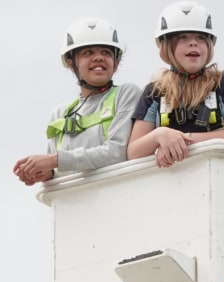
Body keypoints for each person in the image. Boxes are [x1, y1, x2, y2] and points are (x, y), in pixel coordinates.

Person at [13, 17, 141, 185]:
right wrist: (46, 174)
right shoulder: (60, 114)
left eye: (106, 52)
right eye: (88, 53)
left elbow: (118, 152)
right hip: (76, 200)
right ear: (71, 64)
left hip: (117, 194)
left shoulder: (126, 94)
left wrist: (55, 160)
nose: (98, 58)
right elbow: (60, 172)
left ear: (116, 63)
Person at [126, 1, 224, 168]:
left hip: (216, 173)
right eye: (182, 37)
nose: (193, 43)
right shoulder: (154, 91)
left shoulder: (223, 83)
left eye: (200, 37)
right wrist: (160, 135)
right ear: (166, 45)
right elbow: (134, 152)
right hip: (169, 179)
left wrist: (182, 140)